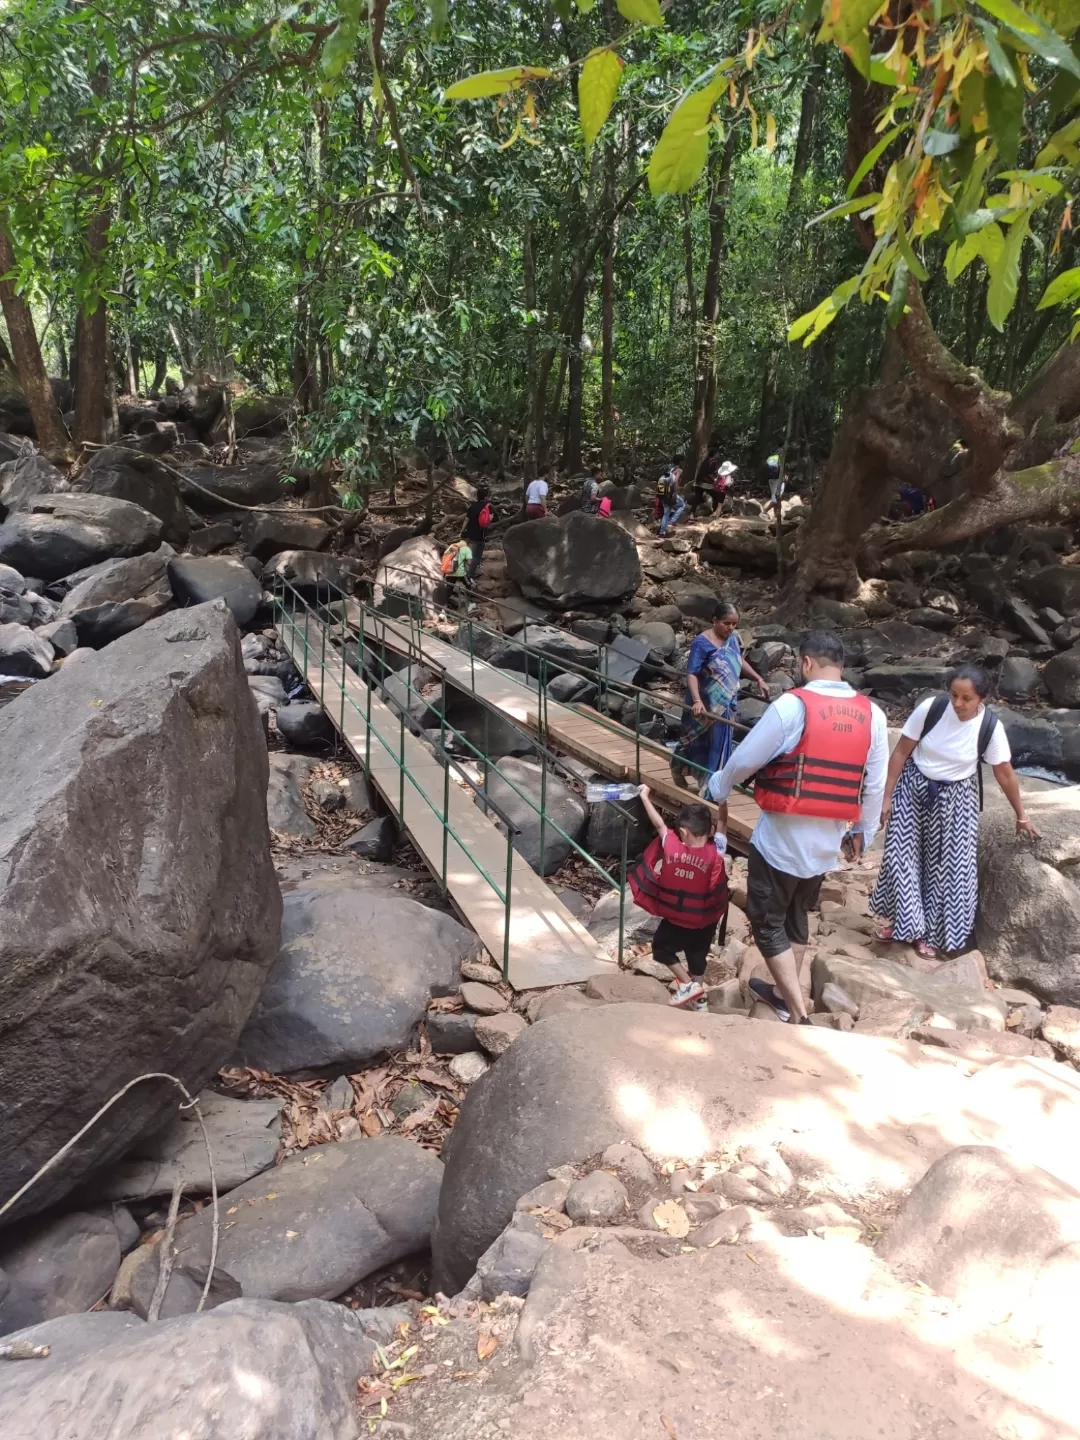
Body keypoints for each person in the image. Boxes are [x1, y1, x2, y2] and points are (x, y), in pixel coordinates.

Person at [707, 632, 888, 1025]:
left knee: (766, 919)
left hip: (779, 840)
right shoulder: (873, 715)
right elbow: (874, 784)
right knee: (796, 915)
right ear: (840, 666)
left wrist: (719, 785)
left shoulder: (793, 706)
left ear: (806, 663)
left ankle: (795, 1009)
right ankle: (779, 992)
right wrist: (863, 832)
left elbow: (745, 760)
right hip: (825, 843)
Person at [870, 666, 1040, 958]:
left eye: (967, 698)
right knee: (901, 856)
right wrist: (885, 798)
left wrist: (1021, 815)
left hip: (957, 797)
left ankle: (931, 935)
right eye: (954, 695)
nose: (958, 704)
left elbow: (1005, 774)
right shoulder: (931, 709)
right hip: (913, 787)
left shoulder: (989, 727)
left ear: (982, 699)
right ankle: (905, 924)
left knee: (948, 869)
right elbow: (900, 752)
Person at [631, 786, 729, 1010]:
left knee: (661, 949)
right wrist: (723, 803)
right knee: (697, 956)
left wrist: (645, 796)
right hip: (705, 918)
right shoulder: (718, 850)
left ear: (683, 832)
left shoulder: (671, 844)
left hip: (677, 918)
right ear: (710, 830)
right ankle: (700, 1003)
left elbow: (658, 824)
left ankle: (689, 986)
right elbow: (723, 824)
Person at [671, 600, 769, 789]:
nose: (731, 628)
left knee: (718, 743)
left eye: (734, 624)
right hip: (704, 702)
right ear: (714, 620)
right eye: (726, 623)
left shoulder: (732, 638)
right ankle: (678, 769)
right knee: (692, 740)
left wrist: (758, 678)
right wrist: (698, 700)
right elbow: (692, 673)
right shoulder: (702, 642)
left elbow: (738, 659)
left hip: (725, 702)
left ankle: (710, 787)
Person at [463, 484, 493, 581]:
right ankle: (470, 575)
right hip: (482, 533)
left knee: (475, 554)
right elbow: (490, 519)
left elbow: (466, 520)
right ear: (485, 497)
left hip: (472, 533)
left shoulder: (472, 507)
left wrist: (461, 531)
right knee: (476, 556)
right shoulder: (488, 507)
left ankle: (472, 570)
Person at [657, 456, 686, 536]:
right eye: (683, 461)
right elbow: (675, 481)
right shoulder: (679, 470)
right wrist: (675, 494)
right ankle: (673, 520)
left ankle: (662, 531)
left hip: (664, 493)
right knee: (682, 505)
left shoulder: (671, 468)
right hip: (671, 493)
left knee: (666, 512)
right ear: (680, 462)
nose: (684, 463)